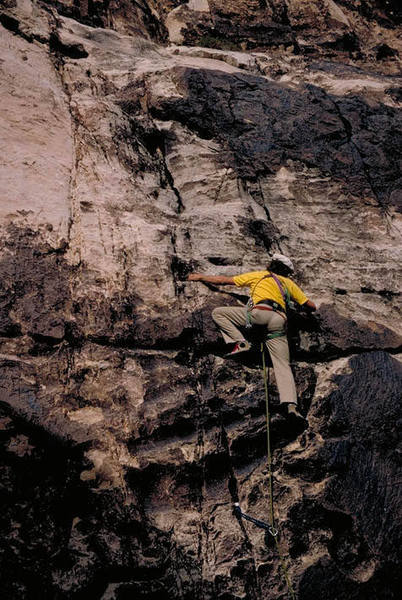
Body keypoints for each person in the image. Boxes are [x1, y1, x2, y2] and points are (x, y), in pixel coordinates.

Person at [187, 253, 316, 419]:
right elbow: (311, 306)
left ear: (271, 265)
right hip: (279, 321)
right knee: (283, 365)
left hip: (260, 313)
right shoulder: (289, 284)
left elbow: (224, 281)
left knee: (218, 313)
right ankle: (291, 406)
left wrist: (199, 277)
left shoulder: (259, 275)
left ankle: (240, 342)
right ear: (286, 272)